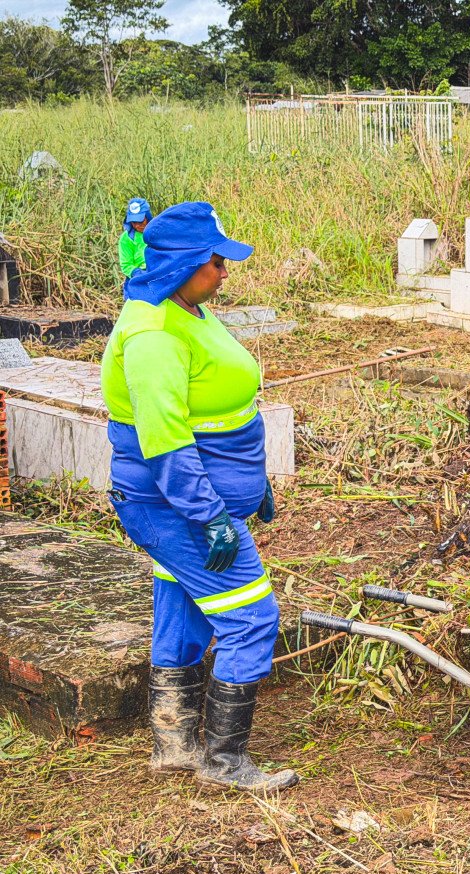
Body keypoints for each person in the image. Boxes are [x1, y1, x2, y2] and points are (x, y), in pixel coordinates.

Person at [100, 201, 298, 794]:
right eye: (216, 260)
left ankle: (176, 745)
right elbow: (164, 444)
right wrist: (212, 516)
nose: (225, 269)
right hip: (178, 507)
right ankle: (224, 761)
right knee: (252, 617)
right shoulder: (154, 336)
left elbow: (216, 405)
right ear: (186, 263)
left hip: (199, 501)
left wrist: (251, 483)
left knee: (183, 608)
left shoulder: (185, 308)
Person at [119, 198, 152, 278]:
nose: (137, 225)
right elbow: (126, 265)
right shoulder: (126, 238)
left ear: (147, 217)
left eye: (140, 221)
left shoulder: (158, 231)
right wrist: (138, 274)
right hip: (140, 275)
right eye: (134, 222)